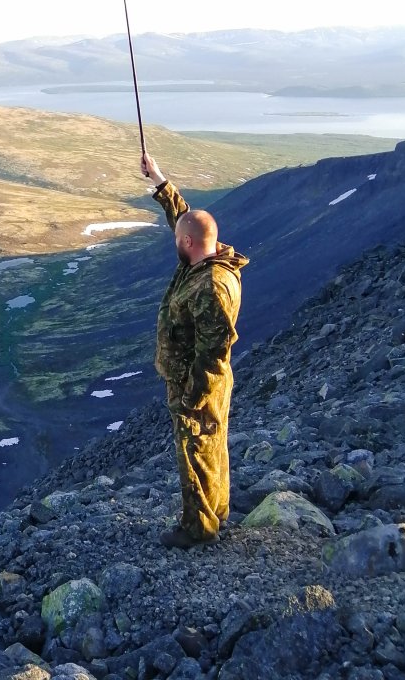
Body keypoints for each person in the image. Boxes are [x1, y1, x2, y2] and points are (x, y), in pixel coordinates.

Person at [141, 151, 248, 548]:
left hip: (197, 382)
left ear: (188, 243)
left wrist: (192, 394)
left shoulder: (211, 286)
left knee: (197, 448)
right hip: (199, 380)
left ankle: (198, 528)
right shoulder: (204, 257)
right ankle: (215, 511)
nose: (175, 242)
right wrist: (159, 182)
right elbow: (186, 219)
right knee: (210, 443)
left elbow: (215, 350)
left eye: (177, 240)